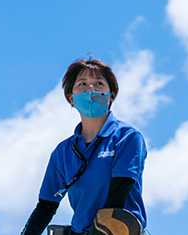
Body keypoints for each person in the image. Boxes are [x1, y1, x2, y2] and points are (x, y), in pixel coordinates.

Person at [20, 58, 147, 235]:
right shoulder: (62, 152)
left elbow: (117, 198)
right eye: (82, 83)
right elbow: (46, 207)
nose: (91, 89)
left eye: (99, 83)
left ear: (111, 96)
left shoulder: (127, 137)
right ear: (71, 98)